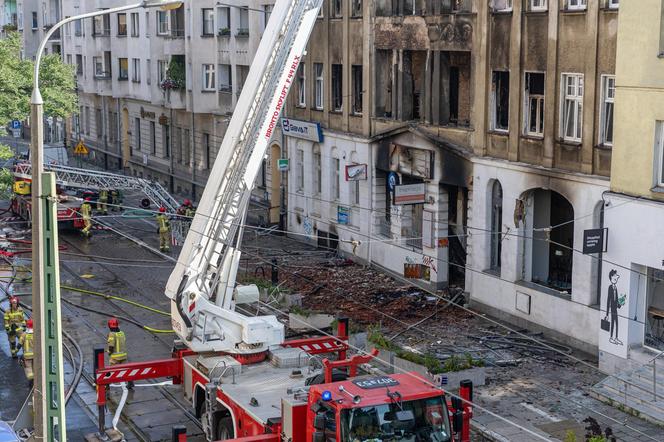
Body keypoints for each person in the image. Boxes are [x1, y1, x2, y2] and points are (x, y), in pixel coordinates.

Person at [106, 317, 133, 389]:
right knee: (126, 370)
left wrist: (109, 352)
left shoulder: (112, 334)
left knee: (110, 371)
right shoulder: (122, 333)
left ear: (109, 326)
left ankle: (106, 385)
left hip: (115, 357)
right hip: (123, 356)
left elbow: (111, 346)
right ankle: (130, 382)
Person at [605, 270, 623, 345]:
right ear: (611, 277)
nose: (616, 278)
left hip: (615, 308)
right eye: (615, 276)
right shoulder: (610, 287)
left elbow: (617, 301)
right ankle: (611, 337)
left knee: (616, 323)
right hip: (611, 308)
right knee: (612, 322)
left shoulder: (616, 288)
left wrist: (621, 303)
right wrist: (606, 314)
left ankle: (616, 337)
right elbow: (608, 300)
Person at [17, 318, 34, 387]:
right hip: (36, 355)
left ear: (27, 326)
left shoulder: (24, 334)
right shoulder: (37, 334)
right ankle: (36, 380)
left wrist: (15, 351)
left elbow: (19, 345)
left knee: (28, 369)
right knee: (35, 368)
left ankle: (31, 381)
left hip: (27, 356)